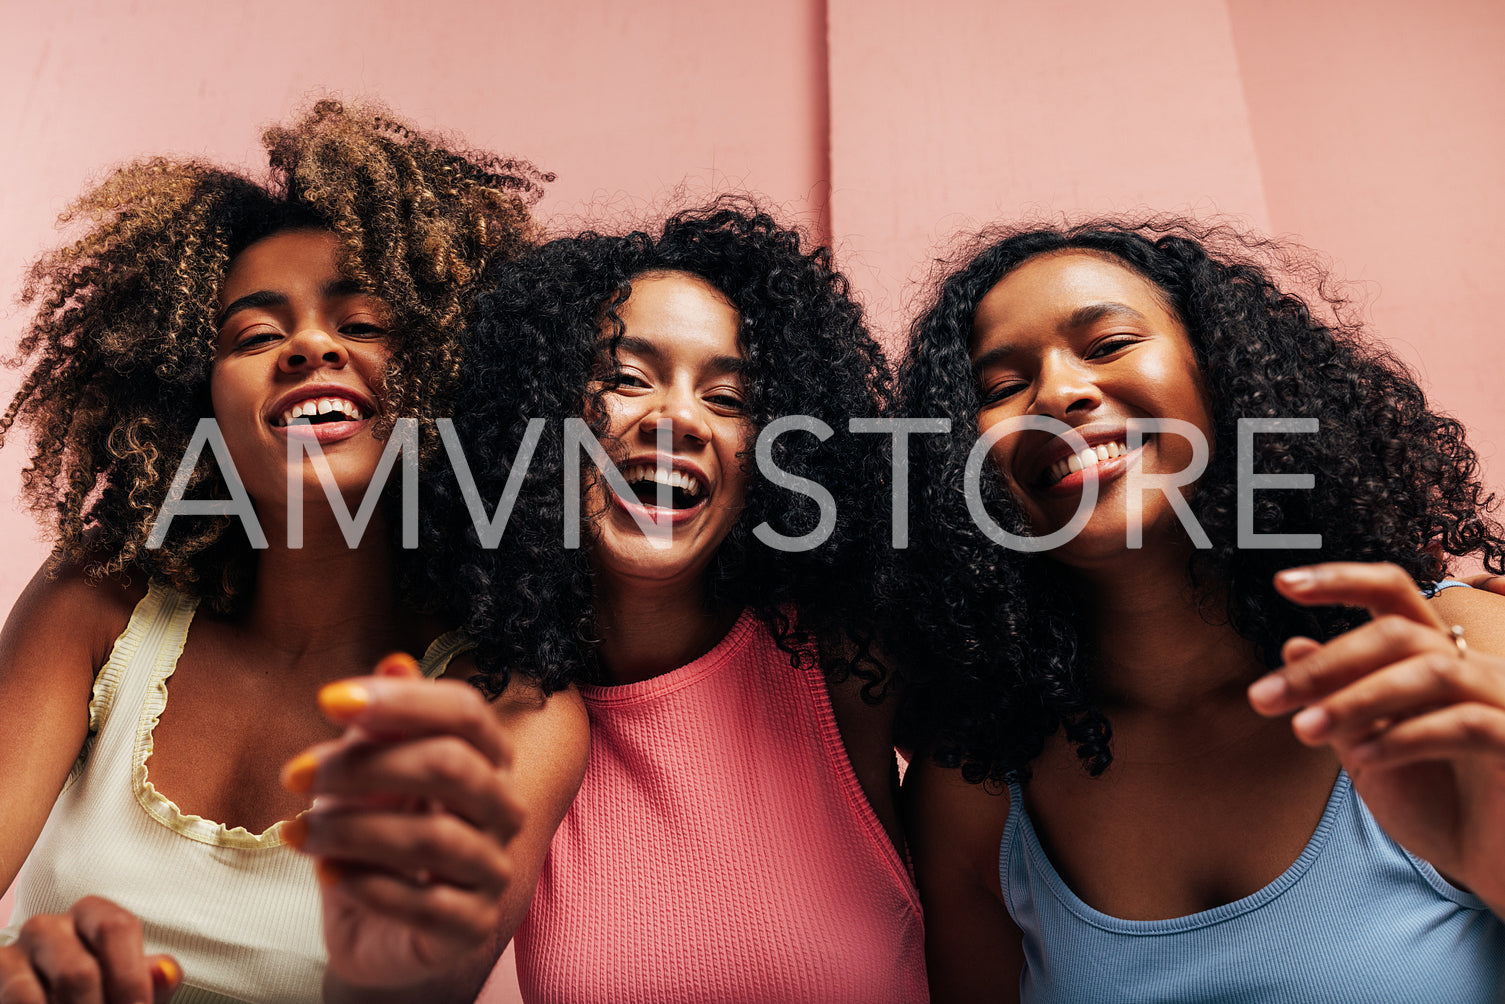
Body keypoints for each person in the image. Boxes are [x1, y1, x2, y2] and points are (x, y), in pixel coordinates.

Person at [0, 100, 588, 1004]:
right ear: (190, 405)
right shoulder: (101, 602)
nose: (311, 344)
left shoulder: (506, 710)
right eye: (255, 334)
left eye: (363, 324)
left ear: (455, 375)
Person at [891, 219, 1505, 1002]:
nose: (1056, 394)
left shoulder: (1457, 658)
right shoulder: (974, 792)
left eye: (1107, 344)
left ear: (1227, 375)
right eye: (1001, 389)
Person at [421, 200, 928, 1003]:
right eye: (623, 379)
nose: (679, 419)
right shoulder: (496, 714)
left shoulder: (846, 664)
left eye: (728, 399)